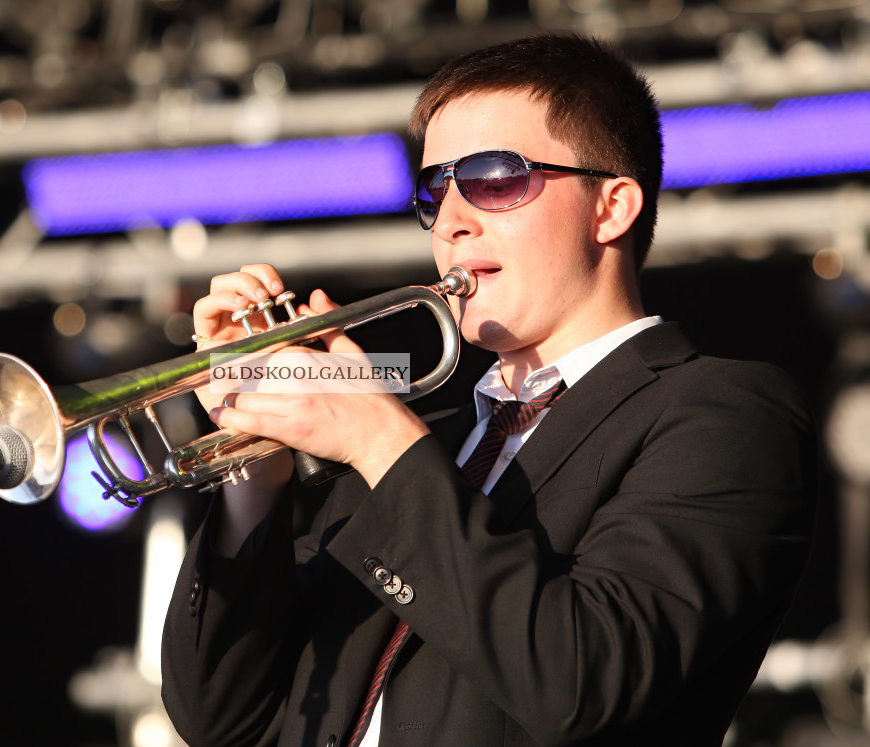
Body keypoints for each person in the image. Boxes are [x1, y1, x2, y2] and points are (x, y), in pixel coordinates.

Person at [160, 34, 818, 746]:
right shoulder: (419, 443)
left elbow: (581, 682)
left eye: (495, 179)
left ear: (612, 207)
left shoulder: (723, 412)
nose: (450, 220)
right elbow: (222, 720)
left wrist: (380, 440)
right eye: (433, 191)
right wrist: (258, 468)